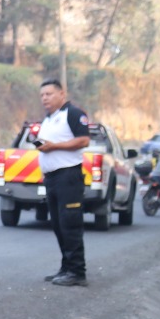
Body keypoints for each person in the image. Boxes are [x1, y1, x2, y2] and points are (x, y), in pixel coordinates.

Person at [37, 79, 91, 286]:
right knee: (58, 224)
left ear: (62, 94)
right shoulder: (49, 119)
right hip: (52, 179)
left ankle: (77, 271)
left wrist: (54, 146)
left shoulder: (73, 114)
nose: (45, 99)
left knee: (70, 223)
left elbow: (84, 140)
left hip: (68, 177)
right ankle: (66, 267)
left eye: (49, 94)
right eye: (42, 95)